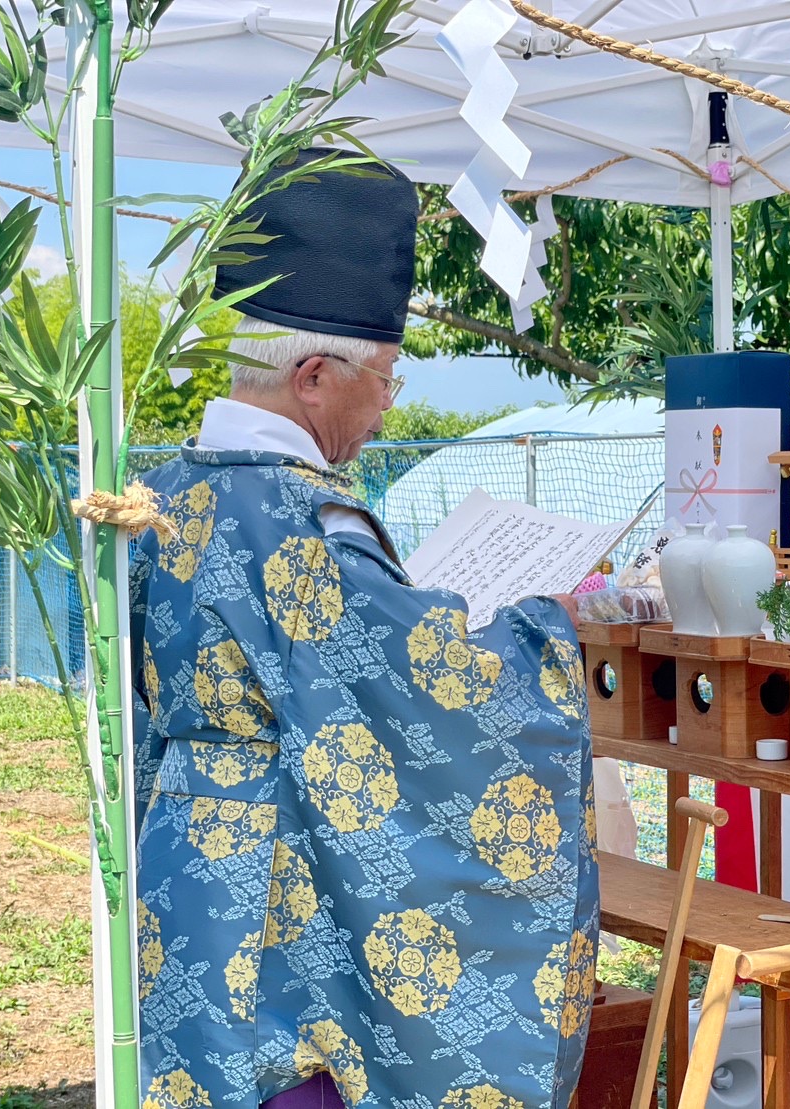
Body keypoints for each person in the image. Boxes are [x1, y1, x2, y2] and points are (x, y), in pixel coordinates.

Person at [130, 149, 598, 1109]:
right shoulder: (303, 523)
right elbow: (438, 690)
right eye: (383, 378)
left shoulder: (161, 492)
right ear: (313, 376)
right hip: (285, 876)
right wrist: (548, 624)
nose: (387, 406)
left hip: (184, 847)